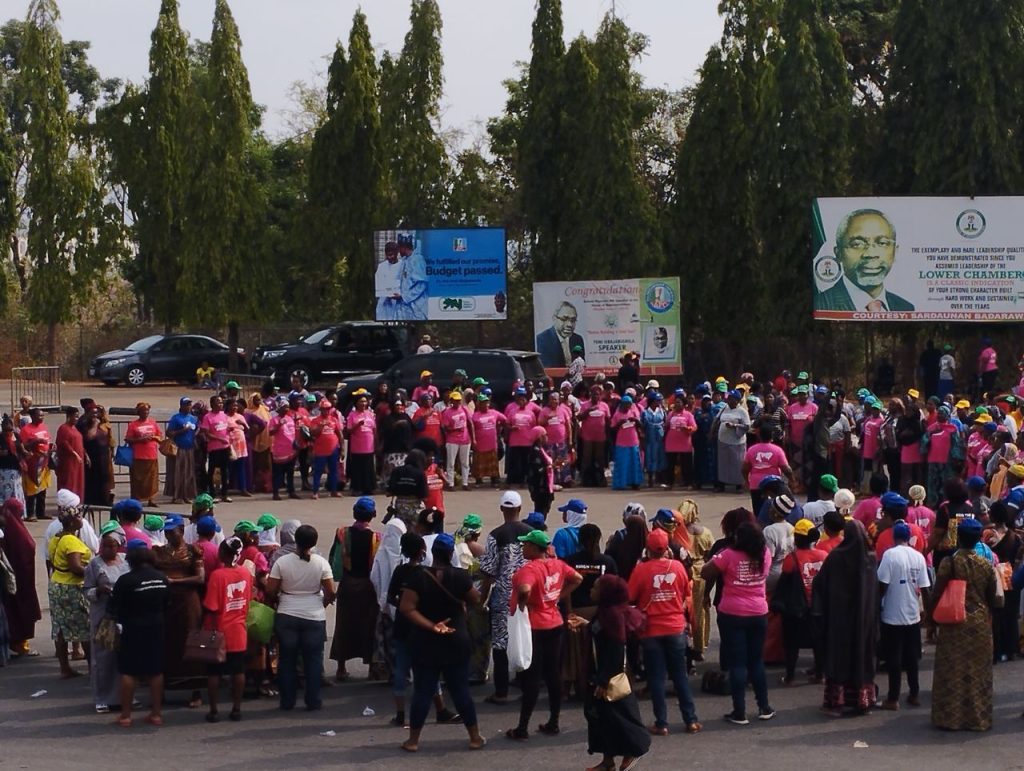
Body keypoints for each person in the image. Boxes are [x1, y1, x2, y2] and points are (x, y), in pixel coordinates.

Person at [397, 533, 485, 752]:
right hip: (456, 640)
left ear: (432, 552)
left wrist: (431, 625)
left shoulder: (418, 577)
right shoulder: (461, 576)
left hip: (425, 643)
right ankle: (474, 737)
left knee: (423, 692)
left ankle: (413, 741)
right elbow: (476, 599)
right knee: (460, 691)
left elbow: (407, 608)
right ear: (450, 554)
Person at [505, 529, 582, 740]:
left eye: (526, 545)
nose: (523, 547)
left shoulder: (529, 569)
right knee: (553, 675)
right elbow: (577, 578)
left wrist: (523, 603)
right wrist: (555, 597)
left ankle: (522, 727)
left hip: (534, 626)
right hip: (554, 623)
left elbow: (524, 589)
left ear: (534, 548)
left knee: (531, 678)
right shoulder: (557, 564)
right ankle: (553, 722)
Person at [628, 528, 701, 735]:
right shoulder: (678, 567)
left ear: (648, 550)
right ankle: (691, 720)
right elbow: (686, 593)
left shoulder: (641, 570)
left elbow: (631, 596)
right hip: (676, 628)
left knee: (656, 678)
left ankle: (662, 723)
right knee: (680, 676)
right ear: (667, 548)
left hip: (651, 630)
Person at [701, 521, 775, 724]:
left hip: (732, 613)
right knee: (756, 662)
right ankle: (764, 706)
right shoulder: (764, 554)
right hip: (758, 611)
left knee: (738, 664)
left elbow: (705, 572)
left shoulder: (729, 554)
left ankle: (739, 711)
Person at [931, 517, 1001, 730]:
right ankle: (977, 719)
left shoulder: (949, 562)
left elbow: (937, 592)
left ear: (959, 538)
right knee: (978, 672)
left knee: (951, 670)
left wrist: (930, 618)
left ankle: (949, 719)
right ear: (979, 538)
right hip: (979, 624)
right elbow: (996, 600)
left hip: (953, 621)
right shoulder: (986, 565)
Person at [267, 525, 336, 711]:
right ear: (314, 542)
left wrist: (280, 600)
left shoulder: (282, 562)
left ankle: (287, 701)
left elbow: (271, 589)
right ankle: (313, 701)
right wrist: (321, 604)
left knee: (287, 660)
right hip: (314, 616)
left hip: (287, 613)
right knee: (312, 661)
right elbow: (331, 591)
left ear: (295, 541)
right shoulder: (321, 563)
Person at [585, 575, 650, 771]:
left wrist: (603, 680)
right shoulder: (605, 612)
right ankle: (607, 762)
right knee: (601, 718)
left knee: (619, 718)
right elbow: (599, 631)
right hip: (601, 672)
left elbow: (615, 646)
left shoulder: (612, 614)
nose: (591, 590)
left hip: (611, 677)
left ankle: (633, 751)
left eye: (595, 588)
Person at [813, 520, 878, 717]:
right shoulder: (870, 559)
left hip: (839, 619)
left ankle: (836, 703)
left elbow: (820, 584)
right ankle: (862, 701)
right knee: (863, 655)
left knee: (838, 657)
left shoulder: (836, 557)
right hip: (864, 620)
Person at [110, 541, 170, 727]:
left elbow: (112, 607)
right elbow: (168, 603)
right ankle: (156, 714)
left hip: (132, 628)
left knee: (128, 671)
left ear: (131, 561)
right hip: (157, 627)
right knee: (155, 671)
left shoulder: (126, 580)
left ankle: (126, 715)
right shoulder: (162, 578)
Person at [814, 208, 914, 312]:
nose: (870, 254)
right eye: (857, 244)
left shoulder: (905, 307)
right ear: (838, 253)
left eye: (882, 243)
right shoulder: (820, 306)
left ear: (895, 251)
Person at [877, 520, 930, 710]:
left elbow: (882, 584)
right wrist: (926, 611)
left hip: (892, 613)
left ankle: (893, 698)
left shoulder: (889, 555)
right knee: (912, 657)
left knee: (894, 658)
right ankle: (914, 694)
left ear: (894, 537)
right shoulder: (918, 557)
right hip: (912, 613)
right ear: (908, 538)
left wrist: (876, 606)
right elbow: (925, 588)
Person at [152, 513, 205, 706]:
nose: (168, 536)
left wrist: (175, 581)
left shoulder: (193, 551)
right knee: (167, 643)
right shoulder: (158, 552)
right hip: (167, 602)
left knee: (191, 642)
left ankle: (196, 691)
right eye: (166, 532)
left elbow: (200, 578)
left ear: (181, 531)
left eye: (172, 532)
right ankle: (164, 689)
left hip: (188, 602)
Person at [328, 497, 381, 681]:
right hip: (368, 586)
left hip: (348, 584)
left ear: (354, 513)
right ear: (373, 515)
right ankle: (371, 668)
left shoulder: (342, 533)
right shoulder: (376, 538)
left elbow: (333, 559)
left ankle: (341, 668)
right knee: (369, 625)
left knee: (344, 624)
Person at [202, 537, 253, 722]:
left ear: (222, 553)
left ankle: (214, 710)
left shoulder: (217, 575)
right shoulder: (246, 573)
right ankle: (236, 709)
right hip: (239, 629)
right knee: (238, 671)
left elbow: (212, 606)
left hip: (218, 629)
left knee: (214, 673)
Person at [83, 523, 129, 712]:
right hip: (103, 615)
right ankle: (102, 697)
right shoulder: (95, 564)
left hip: (123, 614)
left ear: (119, 546)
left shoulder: (126, 561)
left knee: (124, 657)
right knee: (103, 657)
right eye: (106, 545)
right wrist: (99, 591)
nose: (109, 549)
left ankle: (125, 696)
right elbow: (86, 590)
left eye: (113, 546)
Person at [777, 519, 827, 686]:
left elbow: (783, 583)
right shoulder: (823, 556)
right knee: (819, 644)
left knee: (792, 644)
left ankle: (790, 677)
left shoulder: (791, 559)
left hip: (797, 608)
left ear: (797, 539)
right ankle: (820, 675)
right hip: (819, 607)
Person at [47, 503, 93, 679]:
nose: (81, 520)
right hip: (71, 587)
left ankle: (64, 667)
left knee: (60, 628)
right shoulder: (71, 541)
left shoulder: (56, 539)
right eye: (79, 517)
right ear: (72, 521)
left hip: (57, 584)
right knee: (83, 627)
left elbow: (53, 563)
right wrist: (93, 571)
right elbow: (75, 567)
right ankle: (92, 667)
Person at [985, 502, 1021, 662]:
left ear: (992, 516)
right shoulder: (1015, 537)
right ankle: (1011, 649)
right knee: (1011, 615)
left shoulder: (988, 535)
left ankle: (996, 650)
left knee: (996, 615)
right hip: (1010, 576)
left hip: (993, 577)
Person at [742, 425, 795, 514]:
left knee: (758, 511)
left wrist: (747, 481)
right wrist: (792, 481)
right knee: (776, 511)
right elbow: (786, 469)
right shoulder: (777, 450)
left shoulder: (751, 450)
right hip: (774, 485)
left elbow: (744, 469)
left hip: (756, 484)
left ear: (759, 436)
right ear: (772, 436)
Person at [124, 402, 162, 507]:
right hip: (138, 455)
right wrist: (141, 440)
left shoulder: (153, 423)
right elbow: (128, 439)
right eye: (143, 411)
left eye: (147, 410)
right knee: (137, 479)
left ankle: (151, 499)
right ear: (138, 412)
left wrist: (154, 438)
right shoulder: (133, 425)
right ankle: (137, 499)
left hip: (151, 455)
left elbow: (159, 436)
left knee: (152, 479)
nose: (145, 412)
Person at [715, 390, 751, 492]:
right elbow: (717, 420)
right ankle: (722, 484)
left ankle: (738, 485)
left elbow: (747, 426)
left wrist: (734, 426)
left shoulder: (742, 411)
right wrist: (712, 432)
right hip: (723, 440)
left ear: (737, 400)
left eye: (732, 398)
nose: (729, 400)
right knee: (723, 463)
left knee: (737, 463)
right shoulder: (724, 408)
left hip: (737, 442)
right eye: (729, 398)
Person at [20, 408, 52, 520]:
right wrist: (36, 441)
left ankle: (41, 512)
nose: (41, 418)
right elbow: (24, 446)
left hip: (43, 462)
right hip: (32, 463)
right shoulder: (26, 430)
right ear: (32, 416)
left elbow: (47, 441)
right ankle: (30, 513)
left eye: (43, 416)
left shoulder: (43, 427)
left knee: (42, 489)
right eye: (39, 416)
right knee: (32, 490)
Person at [166, 397, 199, 504]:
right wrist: (182, 430)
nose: (188, 407)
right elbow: (169, 433)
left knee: (188, 473)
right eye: (186, 404)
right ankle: (176, 496)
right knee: (178, 473)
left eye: (189, 404)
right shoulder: (176, 418)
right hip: (179, 448)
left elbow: (197, 429)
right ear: (181, 406)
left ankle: (186, 495)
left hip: (189, 448)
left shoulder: (193, 418)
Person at [345, 390, 377, 496]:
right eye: (361, 401)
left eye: (365, 401)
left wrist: (377, 442)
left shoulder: (370, 414)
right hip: (357, 447)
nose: (363, 404)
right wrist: (357, 425)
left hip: (369, 446)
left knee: (368, 468)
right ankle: (357, 488)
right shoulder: (352, 415)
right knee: (358, 468)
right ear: (356, 403)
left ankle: (369, 488)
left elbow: (374, 429)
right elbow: (348, 431)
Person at [536, 301, 585, 368]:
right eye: (564, 319)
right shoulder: (542, 340)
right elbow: (546, 368)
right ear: (554, 318)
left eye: (573, 320)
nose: (569, 324)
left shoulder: (578, 340)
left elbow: (581, 365)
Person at [471, 393, 506, 486]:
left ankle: (494, 480)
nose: (486, 405)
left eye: (487, 402)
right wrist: (473, 441)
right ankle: (478, 480)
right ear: (479, 404)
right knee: (479, 463)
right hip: (480, 444)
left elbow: (505, 420)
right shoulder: (474, 416)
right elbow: (471, 429)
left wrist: (500, 428)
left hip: (492, 444)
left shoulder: (494, 413)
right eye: (483, 403)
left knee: (493, 464)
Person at [611, 395, 643, 490]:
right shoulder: (617, 415)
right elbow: (612, 429)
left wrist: (636, 420)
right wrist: (619, 423)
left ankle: (635, 482)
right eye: (625, 404)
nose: (627, 406)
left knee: (634, 463)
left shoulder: (633, 412)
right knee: (622, 464)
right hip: (622, 443)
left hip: (633, 441)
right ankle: (620, 483)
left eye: (629, 404)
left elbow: (640, 425)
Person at [441, 391, 472, 490]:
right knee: (451, 463)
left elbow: (470, 423)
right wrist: (454, 429)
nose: (457, 402)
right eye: (455, 400)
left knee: (465, 463)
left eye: (459, 400)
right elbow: (444, 427)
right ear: (451, 401)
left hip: (465, 439)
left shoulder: (464, 409)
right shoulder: (447, 412)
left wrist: (473, 437)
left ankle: (465, 483)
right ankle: (451, 484)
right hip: (452, 440)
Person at [55, 406, 85, 500]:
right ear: (69, 416)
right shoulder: (63, 428)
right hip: (68, 462)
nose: (77, 419)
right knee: (69, 482)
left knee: (78, 481)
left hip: (78, 462)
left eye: (77, 416)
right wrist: (74, 454)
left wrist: (85, 454)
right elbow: (64, 443)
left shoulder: (75, 428)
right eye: (75, 416)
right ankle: (67, 503)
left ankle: (77, 502)